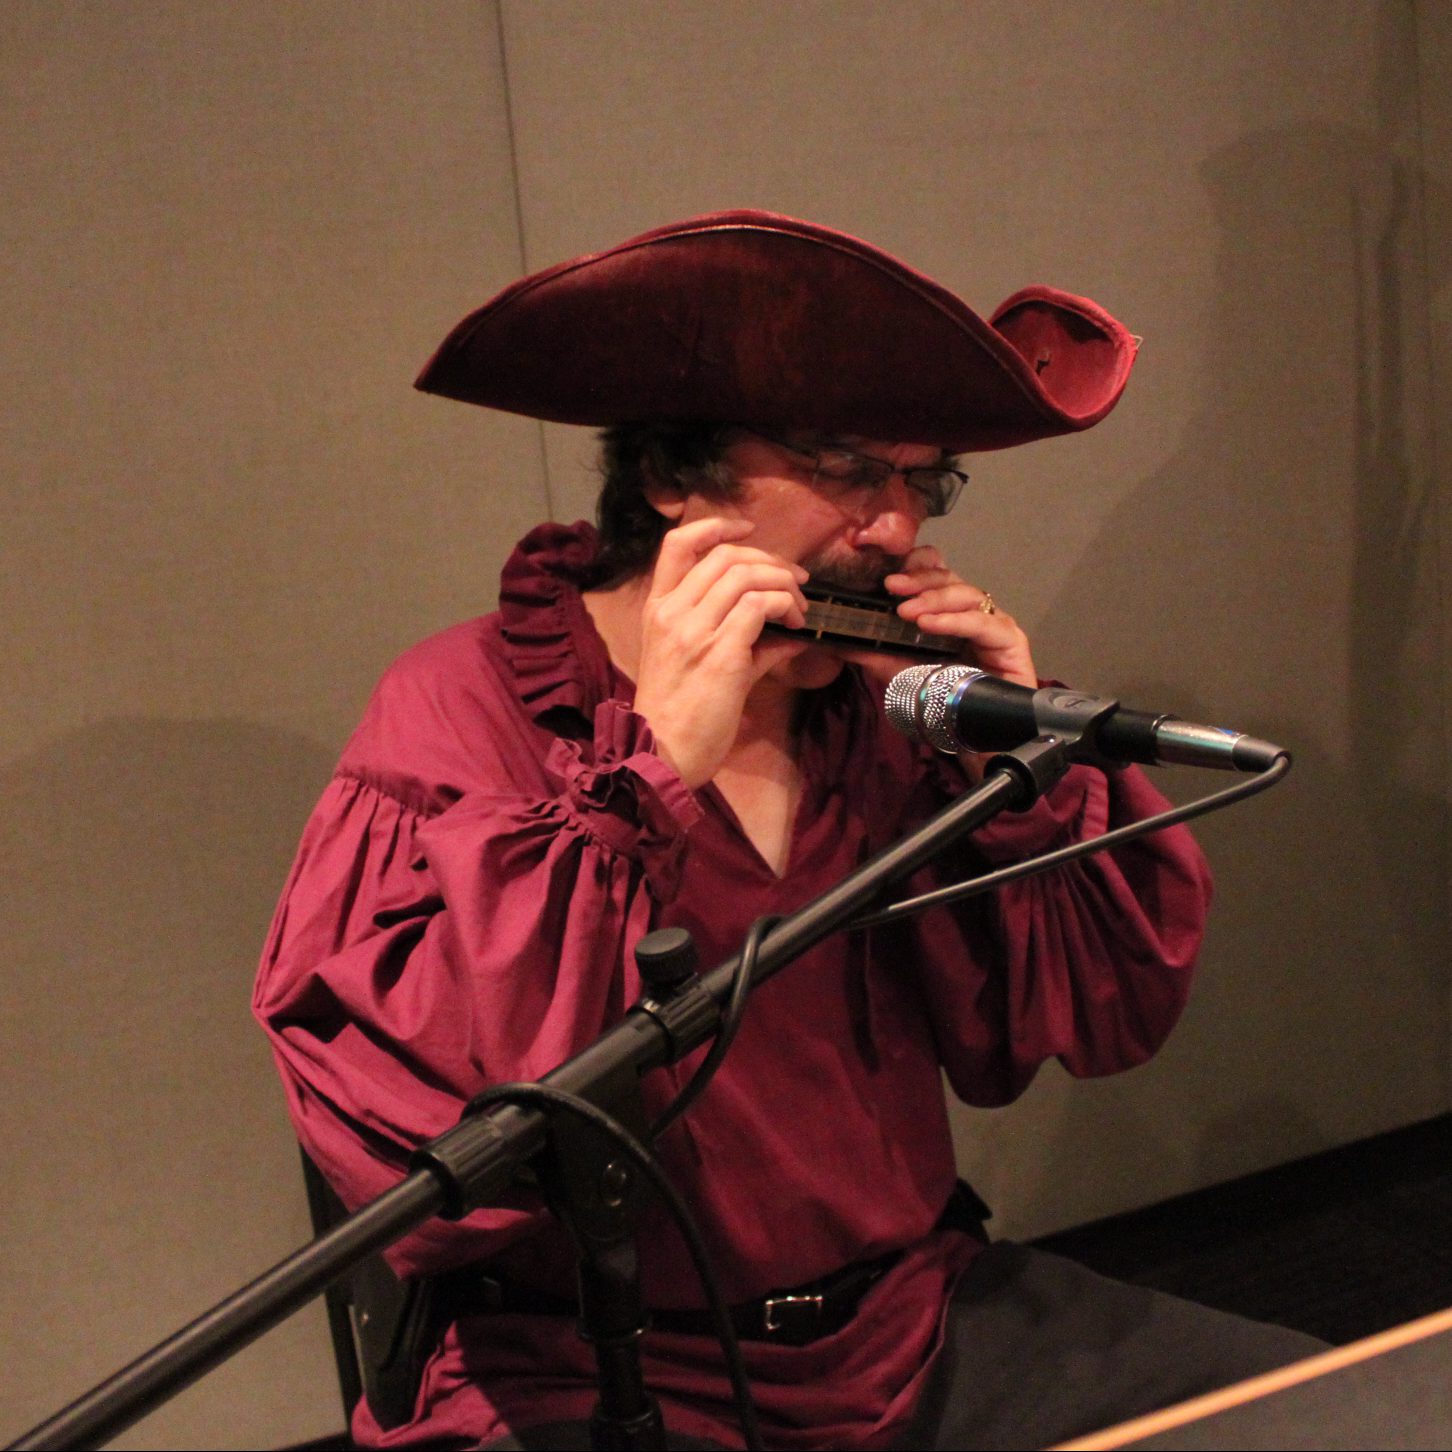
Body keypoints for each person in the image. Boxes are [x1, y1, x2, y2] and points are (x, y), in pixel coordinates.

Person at [253, 211, 1320, 1450]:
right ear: (671, 478)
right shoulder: (464, 710)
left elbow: (1099, 1014)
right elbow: (422, 1160)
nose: (899, 530)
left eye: (923, 482)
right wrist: (651, 773)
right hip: (591, 1374)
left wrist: (1013, 763)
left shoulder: (883, 716)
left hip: (916, 1332)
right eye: (848, 470)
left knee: (1336, 1419)